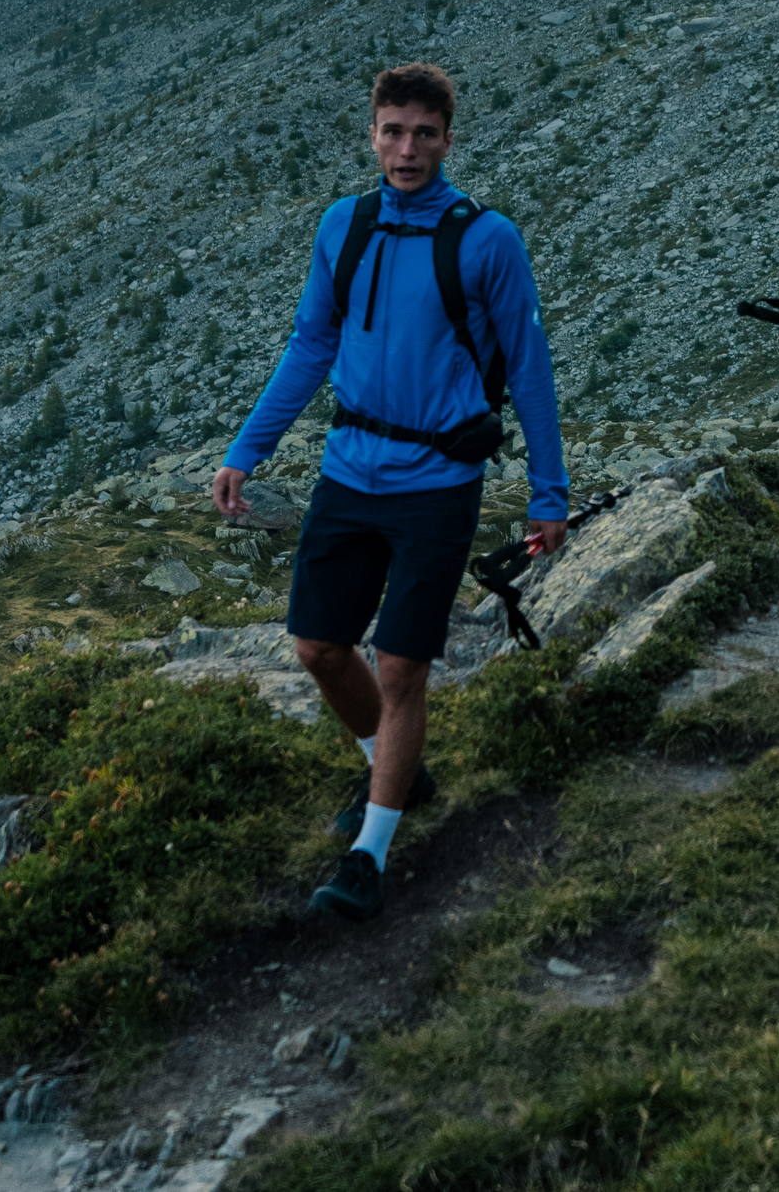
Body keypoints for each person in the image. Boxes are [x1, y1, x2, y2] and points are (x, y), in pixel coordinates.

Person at [213, 62, 570, 921]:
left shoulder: (488, 239)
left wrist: (547, 492)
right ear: (370, 133)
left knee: (402, 664)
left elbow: (529, 369)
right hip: (348, 467)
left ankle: (369, 853)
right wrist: (246, 449)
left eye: (424, 133)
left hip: (439, 480)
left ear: (450, 137)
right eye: (392, 130)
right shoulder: (344, 224)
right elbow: (309, 346)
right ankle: (397, 769)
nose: (407, 149)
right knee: (316, 646)